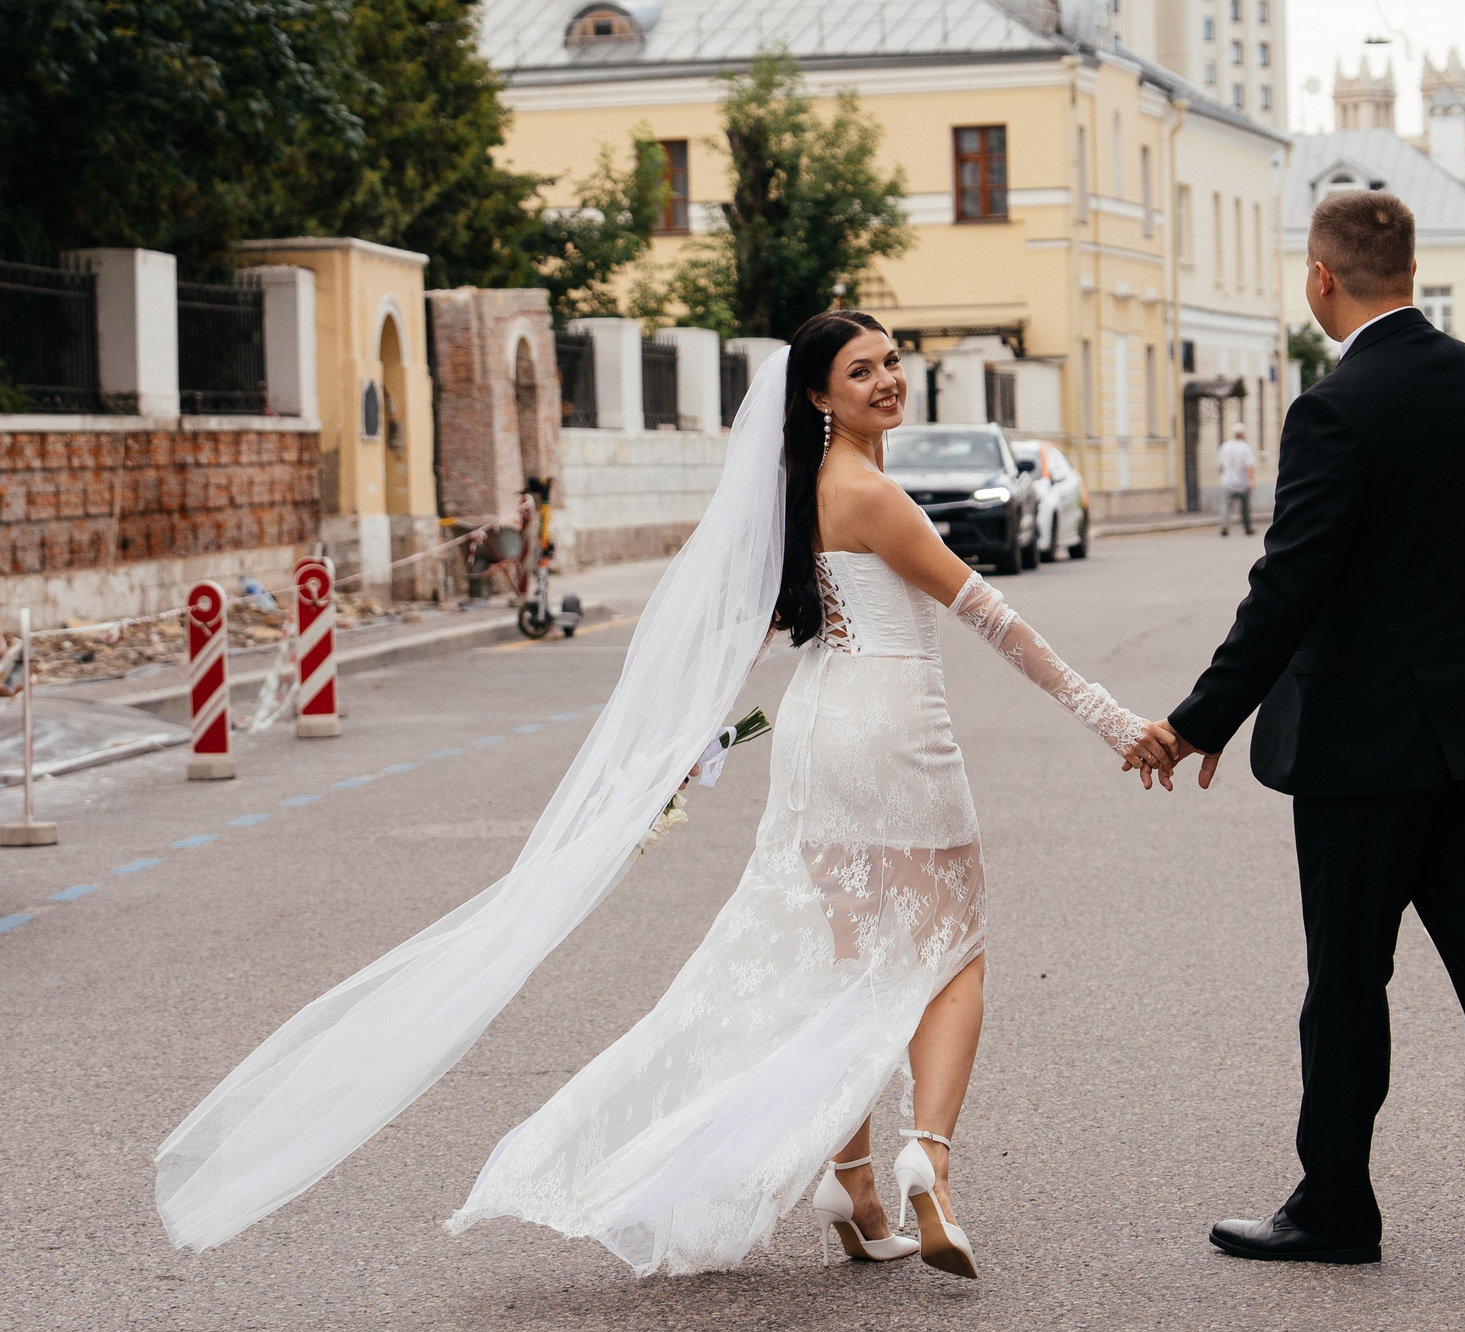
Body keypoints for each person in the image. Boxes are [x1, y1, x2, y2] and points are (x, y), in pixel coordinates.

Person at [154, 313, 1177, 1280]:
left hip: (819, 731)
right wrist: (1115, 721)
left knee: (855, 970)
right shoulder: (868, 493)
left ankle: (859, 1193)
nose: (888, 379)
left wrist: (679, 750)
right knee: (951, 953)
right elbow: (994, 620)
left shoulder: (800, 490)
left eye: (893, 359)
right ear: (820, 393)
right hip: (894, 730)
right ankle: (929, 1162)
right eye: (862, 369)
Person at [1138, 189, 1465, 1276]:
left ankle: (1336, 1208)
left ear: (1321, 278)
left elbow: (1289, 585)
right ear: (1409, 269)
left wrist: (1198, 721)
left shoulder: (1335, 406)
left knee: (1349, 981)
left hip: (1366, 748)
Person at [1217, 425, 1258, 536]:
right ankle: (1248, 528)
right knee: (1245, 508)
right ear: (1243, 434)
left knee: (1226, 506)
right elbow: (1249, 466)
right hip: (1242, 483)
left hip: (1228, 482)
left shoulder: (1225, 447)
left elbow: (1220, 466)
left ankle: (1225, 526)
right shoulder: (1245, 448)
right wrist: (1251, 480)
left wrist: (1225, 476)